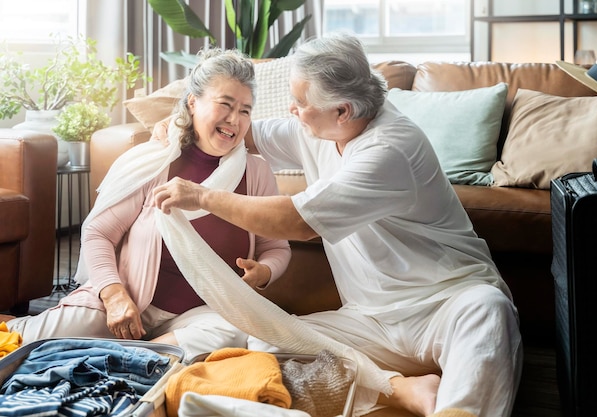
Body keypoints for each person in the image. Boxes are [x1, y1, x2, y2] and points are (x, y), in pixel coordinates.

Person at [152, 33, 523, 416]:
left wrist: (202, 197)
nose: (292, 110)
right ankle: (400, 390)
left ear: (342, 111)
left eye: (300, 102)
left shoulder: (389, 148)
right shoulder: (318, 129)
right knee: (264, 344)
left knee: (489, 311)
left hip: (445, 306)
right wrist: (183, 123)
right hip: (367, 320)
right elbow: (244, 136)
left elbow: (296, 221)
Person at [4, 48, 291, 361]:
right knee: (21, 342)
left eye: (245, 110)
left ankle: (130, 358)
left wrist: (263, 271)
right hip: (126, 303)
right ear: (193, 102)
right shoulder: (154, 160)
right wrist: (114, 296)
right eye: (225, 104)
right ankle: (140, 358)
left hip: (201, 316)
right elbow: (99, 232)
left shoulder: (257, 172)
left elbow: (277, 247)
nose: (234, 119)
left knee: (236, 332)